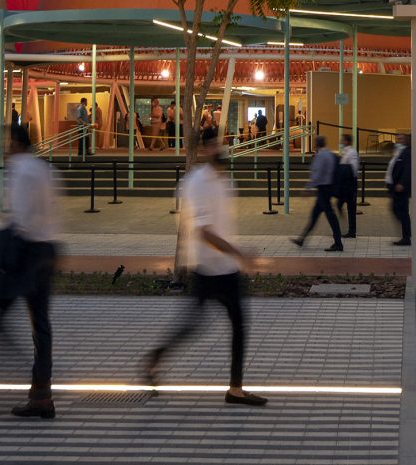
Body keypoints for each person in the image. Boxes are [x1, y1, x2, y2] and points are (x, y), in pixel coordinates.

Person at [144, 126, 269, 406]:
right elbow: (203, 232)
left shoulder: (225, 180)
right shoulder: (194, 183)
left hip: (228, 268)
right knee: (191, 326)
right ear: (202, 149)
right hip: (206, 267)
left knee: (239, 324)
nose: (217, 148)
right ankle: (155, 358)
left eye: (220, 143)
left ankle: (235, 389)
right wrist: (240, 254)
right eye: (211, 145)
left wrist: (235, 257)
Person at [0, 122, 63, 419]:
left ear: (16, 143)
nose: (5, 148)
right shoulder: (45, 169)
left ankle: (31, 378)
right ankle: (42, 393)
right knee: (41, 323)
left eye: (8, 142)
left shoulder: (20, 170)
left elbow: (20, 217)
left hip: (27, 251)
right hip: (48, 249)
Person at [291, 135, 344, 251]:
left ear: (316, 144)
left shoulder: (321, 156)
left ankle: (338, 243)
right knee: (315, 215)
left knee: (331, 217)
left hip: (323, 189)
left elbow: (317, 174)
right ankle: (302, 239)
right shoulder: (330, 154)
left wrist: (308, 187)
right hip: (328, 188)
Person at [386, 132, 412, 246]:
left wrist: (402, 183)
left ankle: (406, 236)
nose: (398, 140)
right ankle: (406, 234)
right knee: (398, 210)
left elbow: (408, 169)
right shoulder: (399, 151)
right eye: (398, 138)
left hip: (400, 187)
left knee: (401, 211)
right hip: (395, 185)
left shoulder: (406, 152)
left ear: (406, 140)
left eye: (401, 138)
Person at [335, 133, 361, 240]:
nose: (341, 142)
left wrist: (343, 170)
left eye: (342, 140)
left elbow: (353, 169)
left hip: (350, 184)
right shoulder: (345, 152)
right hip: (344, 184)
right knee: (340, 204)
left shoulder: (352, 152)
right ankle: (347, 227)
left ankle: (352, 231)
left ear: (346, 141)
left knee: (351, 208)